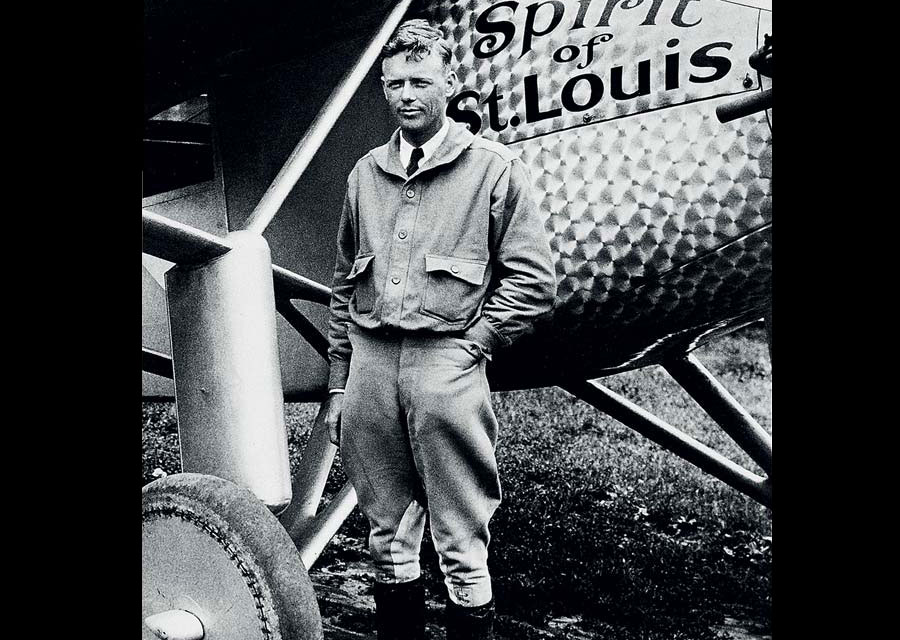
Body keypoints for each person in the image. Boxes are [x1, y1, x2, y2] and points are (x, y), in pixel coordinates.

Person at [319, 18, 557, 640]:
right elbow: (345, 284)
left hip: (445, 365)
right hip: (371, 366)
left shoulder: (492, 170)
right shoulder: (365, 174)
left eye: (420, 81)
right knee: (385, 535)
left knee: (460, 538)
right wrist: (340, 381)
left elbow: (533, 280)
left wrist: (474, 345)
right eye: (394, 83)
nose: (407, 95)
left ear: (449, 82)